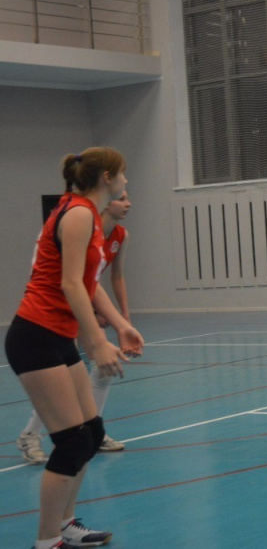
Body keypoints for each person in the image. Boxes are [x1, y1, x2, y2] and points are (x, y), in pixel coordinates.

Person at [4, 148, 143, 549]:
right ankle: (47, 540)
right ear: (107, 178)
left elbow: (89, 283)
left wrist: (121, 325)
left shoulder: (88, 215)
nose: (126, 182)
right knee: (71, 442)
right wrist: (96, 342)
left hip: (56, 335)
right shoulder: (79, 214)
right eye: (122, 174)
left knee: (90, 433)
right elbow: (69, 284)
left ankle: (65, 524)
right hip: (35, 336)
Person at [17, 192, 139, 464]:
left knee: (105, 368)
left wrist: (123, 320)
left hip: (84, 300)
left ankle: (94, 429)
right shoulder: (80, 223)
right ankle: (31, 434)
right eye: (121, 198)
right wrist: (92, 315)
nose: (128, 203)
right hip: (58, 309)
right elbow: (70, 280)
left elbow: (112, 278)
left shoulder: (120, 236)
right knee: (62, 377)